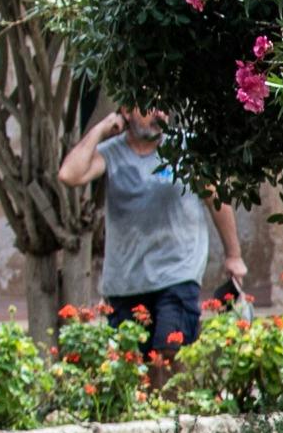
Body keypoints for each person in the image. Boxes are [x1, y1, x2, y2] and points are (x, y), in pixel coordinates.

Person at [57, 105, 233, 357]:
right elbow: (68, 175)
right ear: (127, 112)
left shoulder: (185, 148)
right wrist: (101, 128)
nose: (159, 113)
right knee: (133, 367)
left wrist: (233, 254)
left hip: (178, 274)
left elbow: (217, 199)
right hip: (126, 283)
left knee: (169, 354)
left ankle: (170, 398)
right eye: (149, 107)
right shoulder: (112, 153)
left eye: (163, 107)